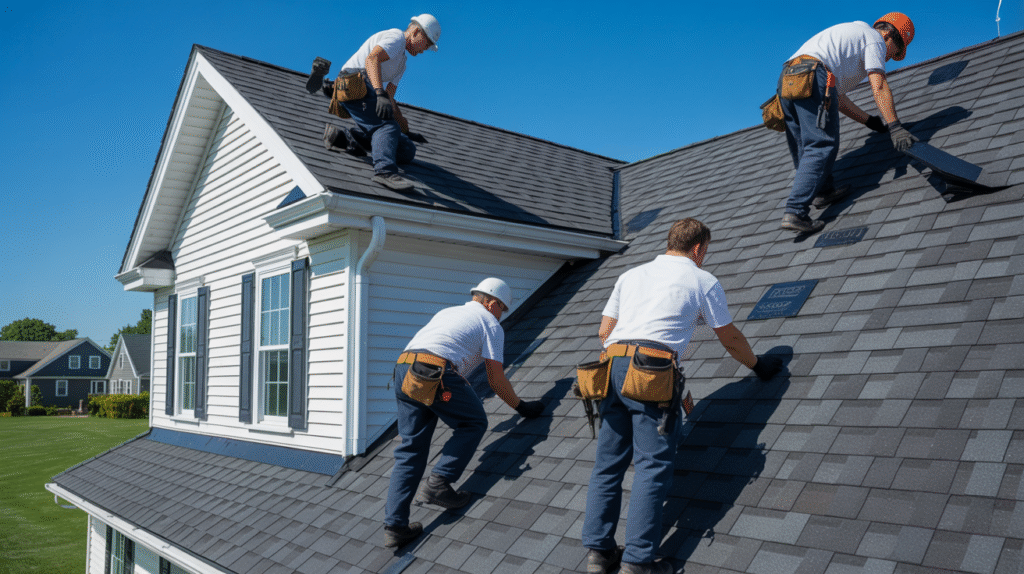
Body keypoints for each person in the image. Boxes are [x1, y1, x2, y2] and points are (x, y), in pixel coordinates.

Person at [582, 219, 783, 574]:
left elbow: (604, 331)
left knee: (608, 463)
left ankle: (599, 552)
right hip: (651, 371)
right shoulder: (701, 279)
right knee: (652, 466)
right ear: (698, 249)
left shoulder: (631, 275)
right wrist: (758, 366)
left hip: (609, 368)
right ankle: (638, 562)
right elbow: (729, 338)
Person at [383, 278, 546, 549]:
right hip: (432, 371)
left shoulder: (448, 312)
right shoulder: (489, 323)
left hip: (404, 371)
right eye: (501, 309)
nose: (501, 315)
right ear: (491, 303)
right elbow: (496, 379)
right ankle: (439, 482)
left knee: (411, 449)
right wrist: (521, 407)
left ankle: (395, 526)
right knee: (473, 422)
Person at [777, 13, 918, 233]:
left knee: (804, 145)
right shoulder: (874, 39)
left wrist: (870, 121)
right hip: (814, 74)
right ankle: (795, 211)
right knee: (821, 144)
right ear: (889, 34)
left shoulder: (849, 40)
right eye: (895, 52)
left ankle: (823, 192)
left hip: (788, 77)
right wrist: (895, 127)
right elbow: (878, 85)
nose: (889, 58)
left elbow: (837, 99)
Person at [319, 14, 441, 192]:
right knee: (386, 128)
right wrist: (379, 93)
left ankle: (343, 138)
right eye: (427, 43)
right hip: (353, 82)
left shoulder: (402, 63)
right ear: (416, 32)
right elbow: (372, 59)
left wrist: (405, 128)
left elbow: (390, 97)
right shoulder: (396, 38)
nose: (425, 49)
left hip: (367, 87)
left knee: (406, 149)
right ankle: (384, 172)